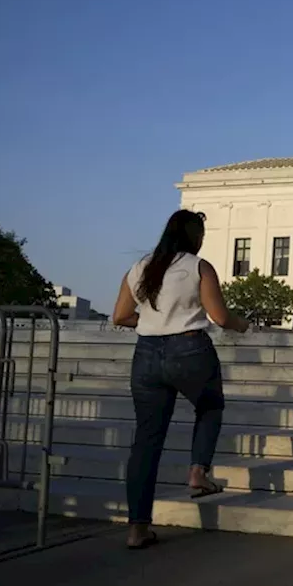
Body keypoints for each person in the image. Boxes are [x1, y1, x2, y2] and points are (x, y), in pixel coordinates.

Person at [112, 209, 250, 550]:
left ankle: (137, 529)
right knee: (210, 406)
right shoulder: (197, 266)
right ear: (194, 236)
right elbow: (218, 315)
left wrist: (150, 325)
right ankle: (198, 470)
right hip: (190, 350)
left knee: (146, 441)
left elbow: (119, 316)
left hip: (146, 355)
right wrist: (241, 324)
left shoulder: (141, 267)